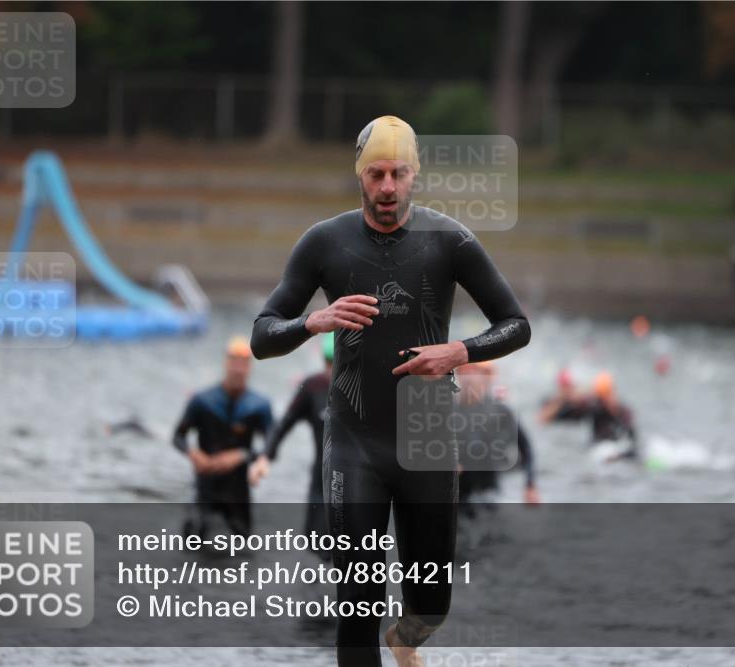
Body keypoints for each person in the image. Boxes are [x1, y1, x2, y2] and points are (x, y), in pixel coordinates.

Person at [250, 115, 531, 667]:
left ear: (414, 175)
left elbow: (515, 324)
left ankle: (404, 642)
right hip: (355, 442)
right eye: (376, 173)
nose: (386, 187)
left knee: (430, 605)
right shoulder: (324, 242)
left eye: (398, 174)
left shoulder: (450, 240)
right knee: (357, 607)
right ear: (359, 175)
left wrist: (459, 352)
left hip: (426, 437)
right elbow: (262, 335)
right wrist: (315, 321)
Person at [173, 336, 274, 537]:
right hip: (205, 485)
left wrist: (243, 455)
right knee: (193, 547)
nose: (238, 369)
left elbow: (271, 445)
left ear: (250, 367)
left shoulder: (259, 406)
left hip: (237, 492)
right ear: (225, 363)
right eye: (234, 362)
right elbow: (178, 437)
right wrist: (193, 454)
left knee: (243, 552)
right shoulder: (202, 401)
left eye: (243, 364)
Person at [249, 335, 333, 558]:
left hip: (363, 483)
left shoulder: (367, 387)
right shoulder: (313, 387)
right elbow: (283, 424)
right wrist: (265, 456)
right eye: (330, 364)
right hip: (322, 480)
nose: (333, 373)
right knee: (317, 548)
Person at [455, 361, 540, 509]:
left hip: (491, 491)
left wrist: (530, 485)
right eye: (463, 372)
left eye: (473, 372)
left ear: (487, 378)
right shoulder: (447, 410)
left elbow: (526, 449)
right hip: (458, 492)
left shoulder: (501, 411)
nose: (468, 377)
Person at [540, 370, 639, 461]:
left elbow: (632, 437)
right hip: (599, 449)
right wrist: (566, 399)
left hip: (618, 449)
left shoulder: (623, 410)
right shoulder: (594, 407)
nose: (606, 399)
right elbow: (547, 418)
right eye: (603, 395)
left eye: (608, 394)